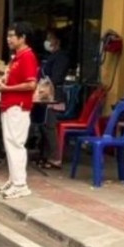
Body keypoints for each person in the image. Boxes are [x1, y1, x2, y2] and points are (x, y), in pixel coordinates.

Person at [0, 21, 39, 199]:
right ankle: (14, 179)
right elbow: (12, 79)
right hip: (10, 104)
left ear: (22, 38)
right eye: (8, 35)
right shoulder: (16, 57)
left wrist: (7, 89)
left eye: (12, 36)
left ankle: (20, 184)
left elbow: (31, 84)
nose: (8, 39)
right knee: (10, 144)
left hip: (18, 106)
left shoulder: (27, 56)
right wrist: (0, 82)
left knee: (16, 145)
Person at [38, 28, 71, 168]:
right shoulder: (51, 56)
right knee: (43, 125)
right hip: (46, 95)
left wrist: (45, 83)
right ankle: (45, 156)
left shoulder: (61, 57)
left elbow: (56, 78)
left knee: (49, 126)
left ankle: (55, 158)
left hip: (54, 96)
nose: (47, 41)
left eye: (49, 38)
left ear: (57, 41)